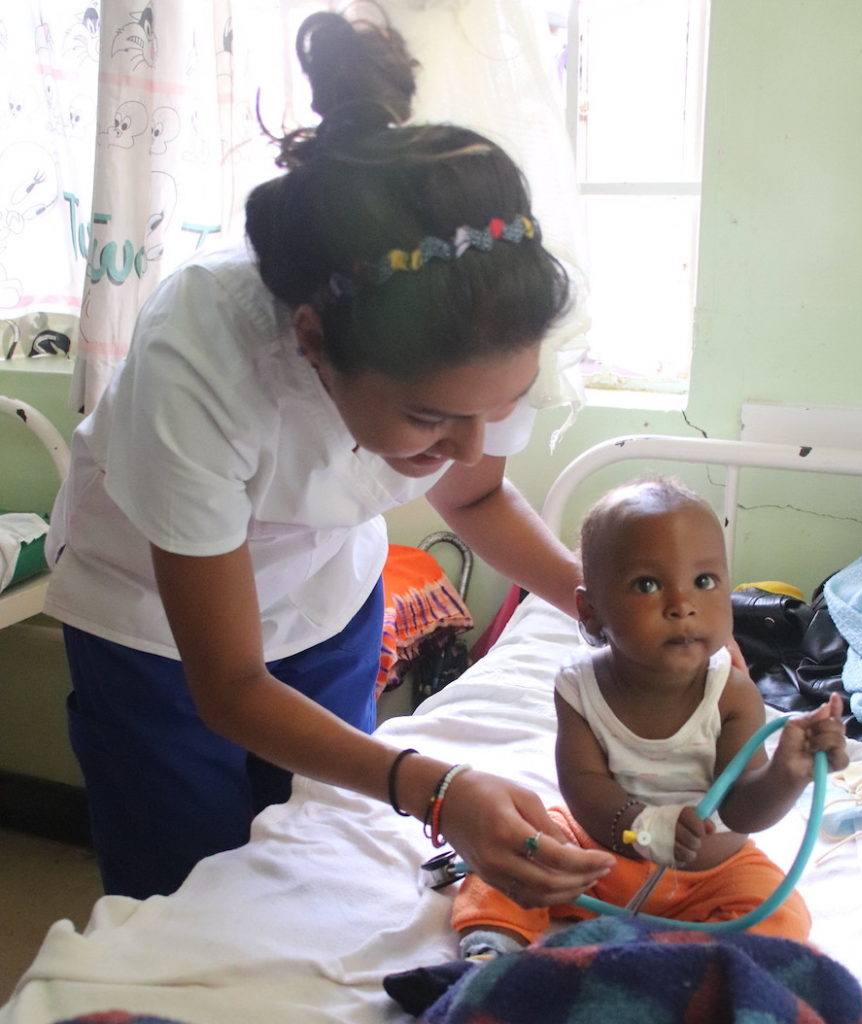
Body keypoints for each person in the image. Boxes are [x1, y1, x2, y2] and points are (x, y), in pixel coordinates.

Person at [43, 11, 615, 902]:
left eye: (497, 410)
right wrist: (441, 791)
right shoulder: (202, 351)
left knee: (322, 855)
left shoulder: (484, 325)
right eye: (430, 419)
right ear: (312, 343)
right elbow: (228, 684)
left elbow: (474, 500)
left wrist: (599, 607)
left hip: (325, 600)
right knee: (185, 892)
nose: (469, 445)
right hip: (155, 627)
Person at [452, 478, 849, 957]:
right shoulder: (580, 689)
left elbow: (742, 809)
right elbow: (584, 788)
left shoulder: (732, 695)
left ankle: (691, 967)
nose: (682, 605)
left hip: (712, 876)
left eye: (704, 581)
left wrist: (787, 773)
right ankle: (492, 947)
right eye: (647, 584)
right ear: (591, 611)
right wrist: (643, 825)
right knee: (518, 853)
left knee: (781, 913)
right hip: (600, 858)